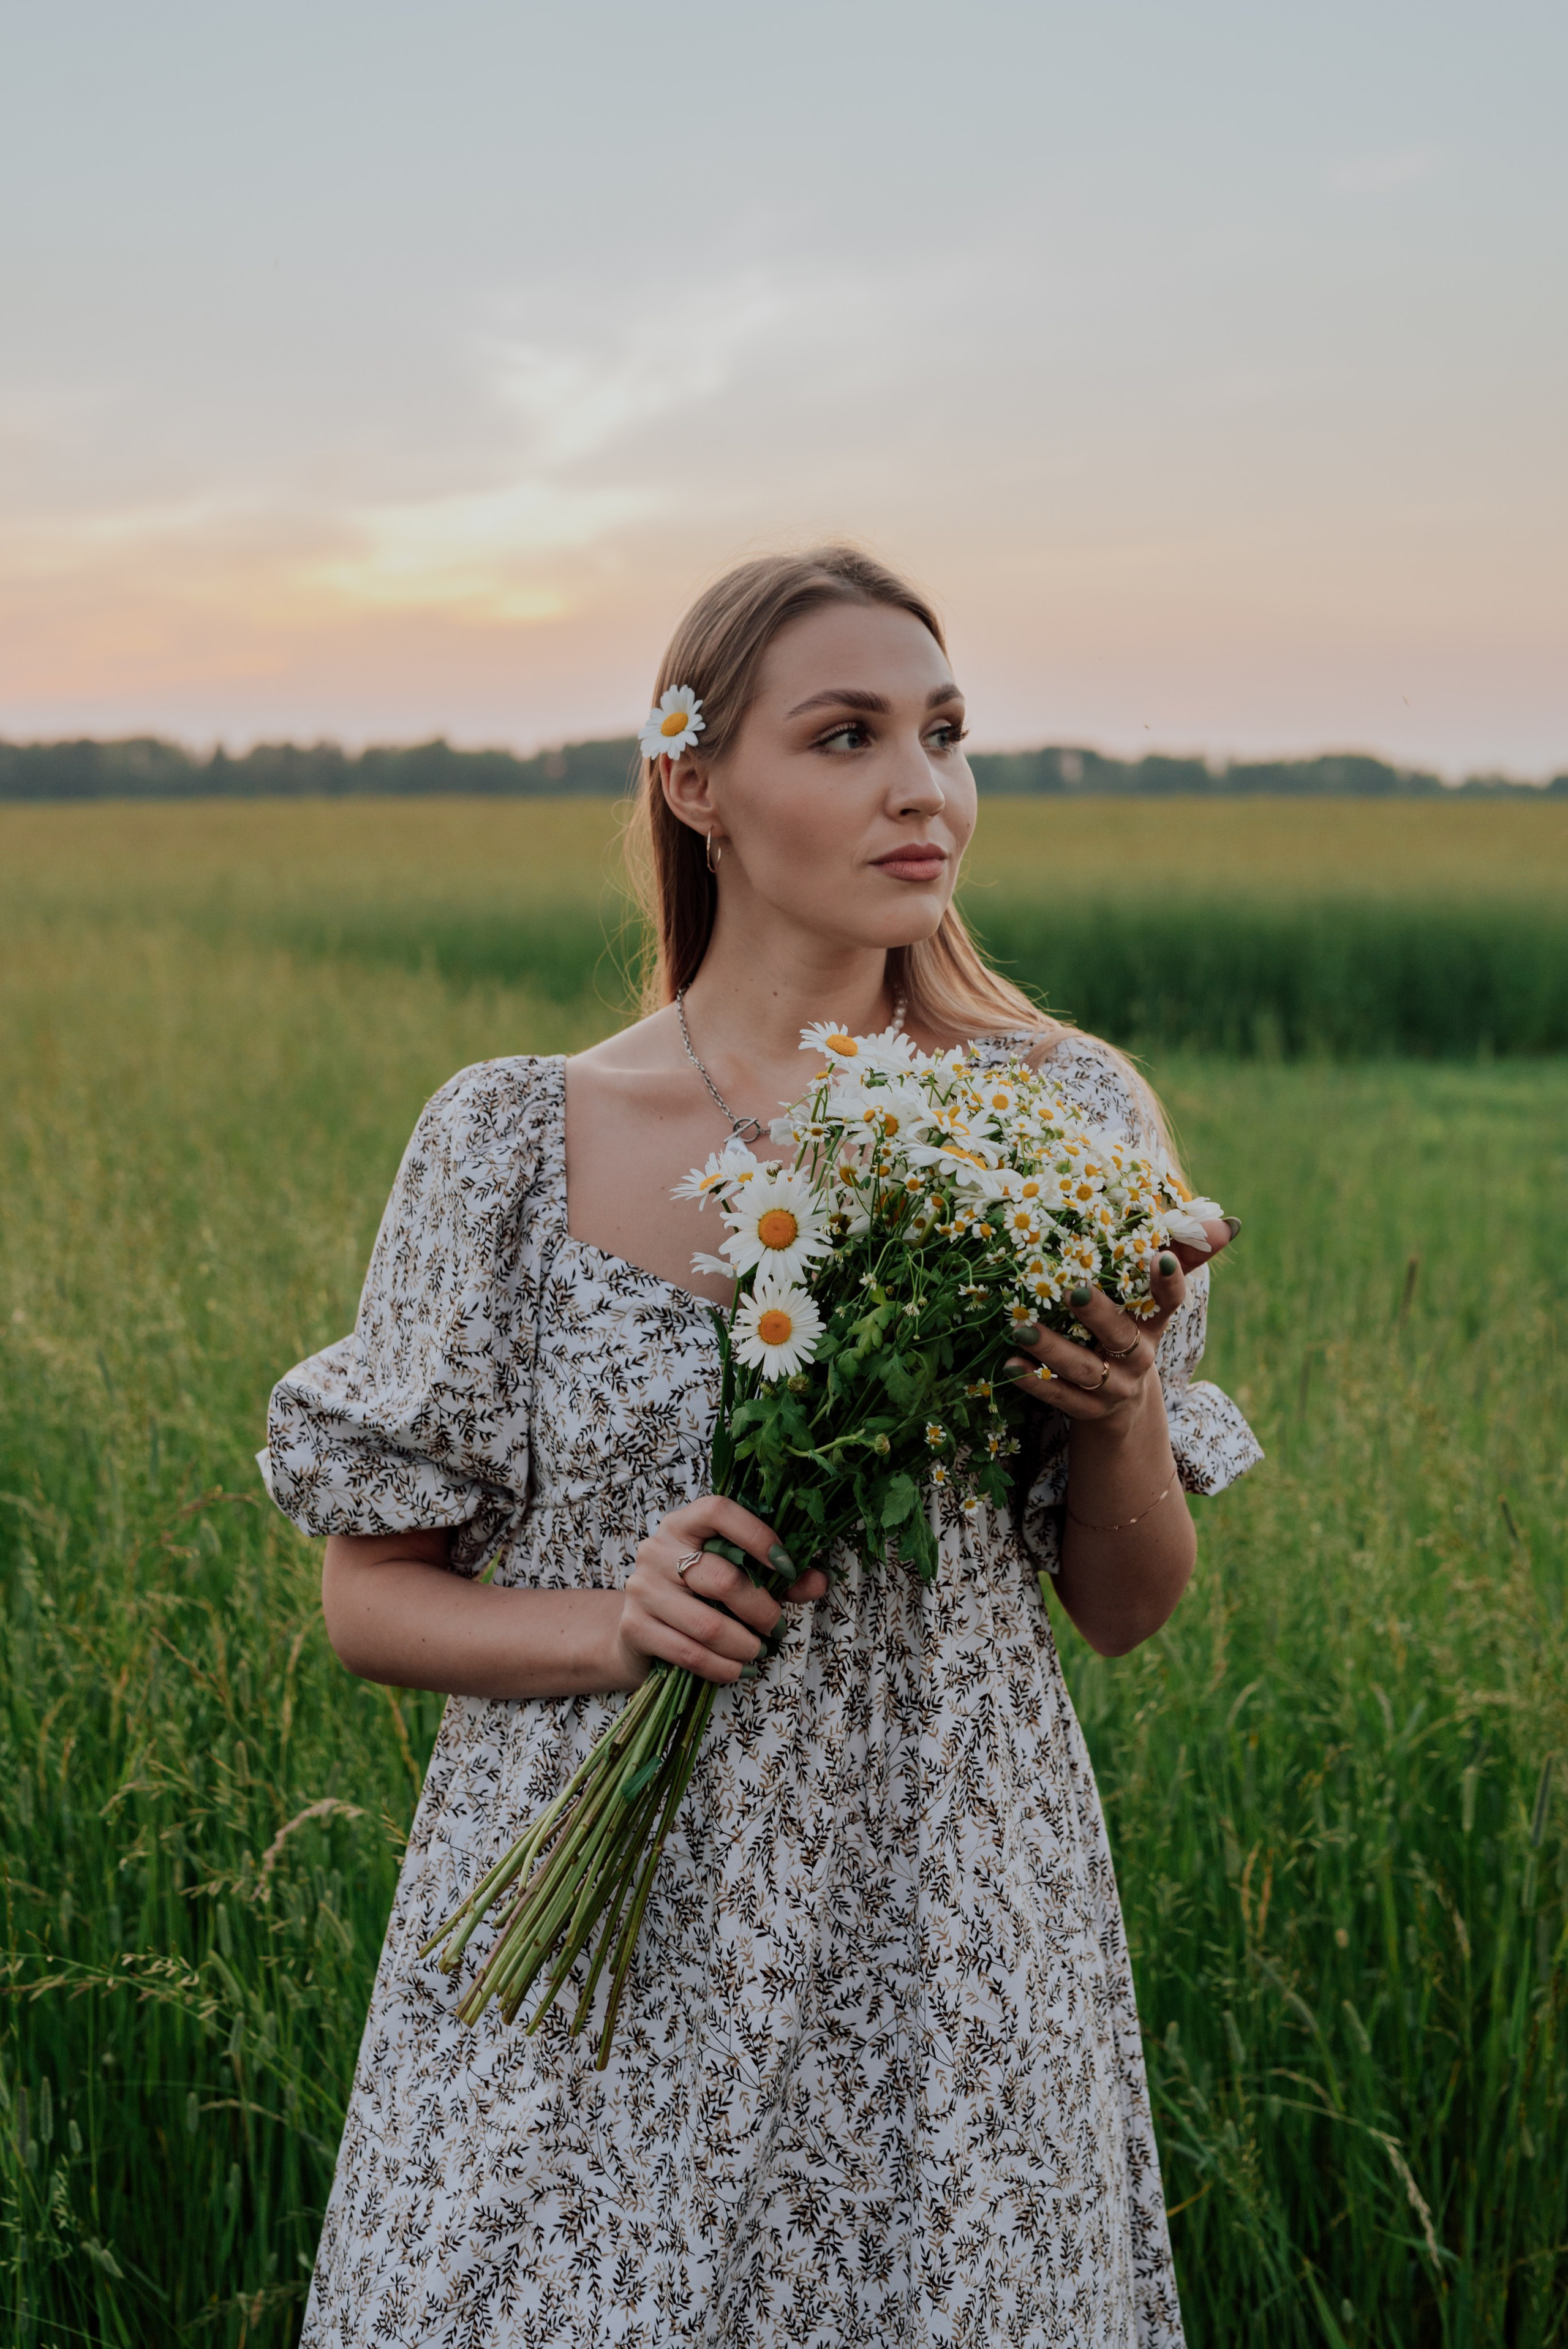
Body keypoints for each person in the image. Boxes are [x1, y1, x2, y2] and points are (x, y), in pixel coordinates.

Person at [262, 545, 1261, 2348]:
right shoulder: (509, 1140)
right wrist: (611, 1624)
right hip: (597, 1950)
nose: (921, 787)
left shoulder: (1061, 1111)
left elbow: (1125, 1606)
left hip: (943, 1919)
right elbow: (368, 1599)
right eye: (849, 733)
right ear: (695, 779)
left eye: (947, 734)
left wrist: (1117, 1417)